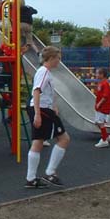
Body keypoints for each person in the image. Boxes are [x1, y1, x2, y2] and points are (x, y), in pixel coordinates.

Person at [25, 46, 70, 189]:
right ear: (51, 58)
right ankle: (46, 174)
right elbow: (37, 91)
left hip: (45, 109)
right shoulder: (43, 72)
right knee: (60, 139)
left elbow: (46, 92)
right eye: (58, 58)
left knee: (43, 141)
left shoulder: (45, 72)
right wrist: (37, 114)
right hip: (42, 110)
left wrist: (53, 105)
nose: (59, 61)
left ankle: (35, 177)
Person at [94, 68, 110, 148]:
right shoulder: (101, 83)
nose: (96, 75)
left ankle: (104, 140)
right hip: (100, 107)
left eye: (97, 73)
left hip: (103, 107)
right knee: (98, 122)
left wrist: (99, 104)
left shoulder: (105, 84)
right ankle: (107, 136)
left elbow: (105, 96)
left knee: (100, 123)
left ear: (102, 75)